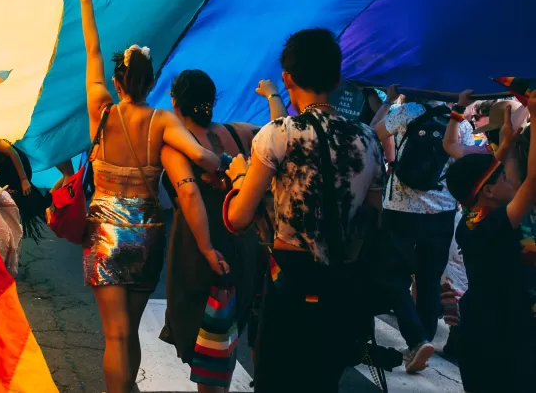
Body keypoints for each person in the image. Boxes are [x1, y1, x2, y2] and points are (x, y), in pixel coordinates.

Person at [70, 0, 220, 393]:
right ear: (151, 82)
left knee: (113, 335)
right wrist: (225, 169)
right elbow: (200, 156)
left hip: (104, 227)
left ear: (118, 81)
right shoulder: (161, 121)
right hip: (148, 230)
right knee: (129, 332)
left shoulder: (101, 108)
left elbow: (93, 53)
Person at [224, 28, 386, 392]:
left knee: (277, 381)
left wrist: (239, 178)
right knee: (323, 381)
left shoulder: (278, 134)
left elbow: (238, 218)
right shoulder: (368, 139)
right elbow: (372, 217)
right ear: (337, 78)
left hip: (289, 282)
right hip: (343, 285)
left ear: (287, 78)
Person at [159, 70, 269, 393]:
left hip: (200, 250)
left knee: (207, 350)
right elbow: (278, 134)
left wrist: (206, 248)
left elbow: (190, 194)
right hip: (243, 244)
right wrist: (274, 98)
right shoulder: (238, 133)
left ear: (176, 103)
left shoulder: (177, 144)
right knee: (227, 335)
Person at [372, 84, 474, 372]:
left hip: (401, 209)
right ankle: (424, 340)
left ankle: (417, 340)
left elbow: (375, 134)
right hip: (441, 210)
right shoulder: (459, 122)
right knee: (429, 280)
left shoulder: (406, 111)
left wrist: (390, 103)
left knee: (394, 277)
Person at [442, 91, 536, 392]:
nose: (513, 181)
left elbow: (495, 177)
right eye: (505, 180)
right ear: (490, 193)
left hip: (482, 326)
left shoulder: (474, 219)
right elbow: (531, 181)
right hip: (501, 332)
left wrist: (507, 146)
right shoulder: (494, 224)